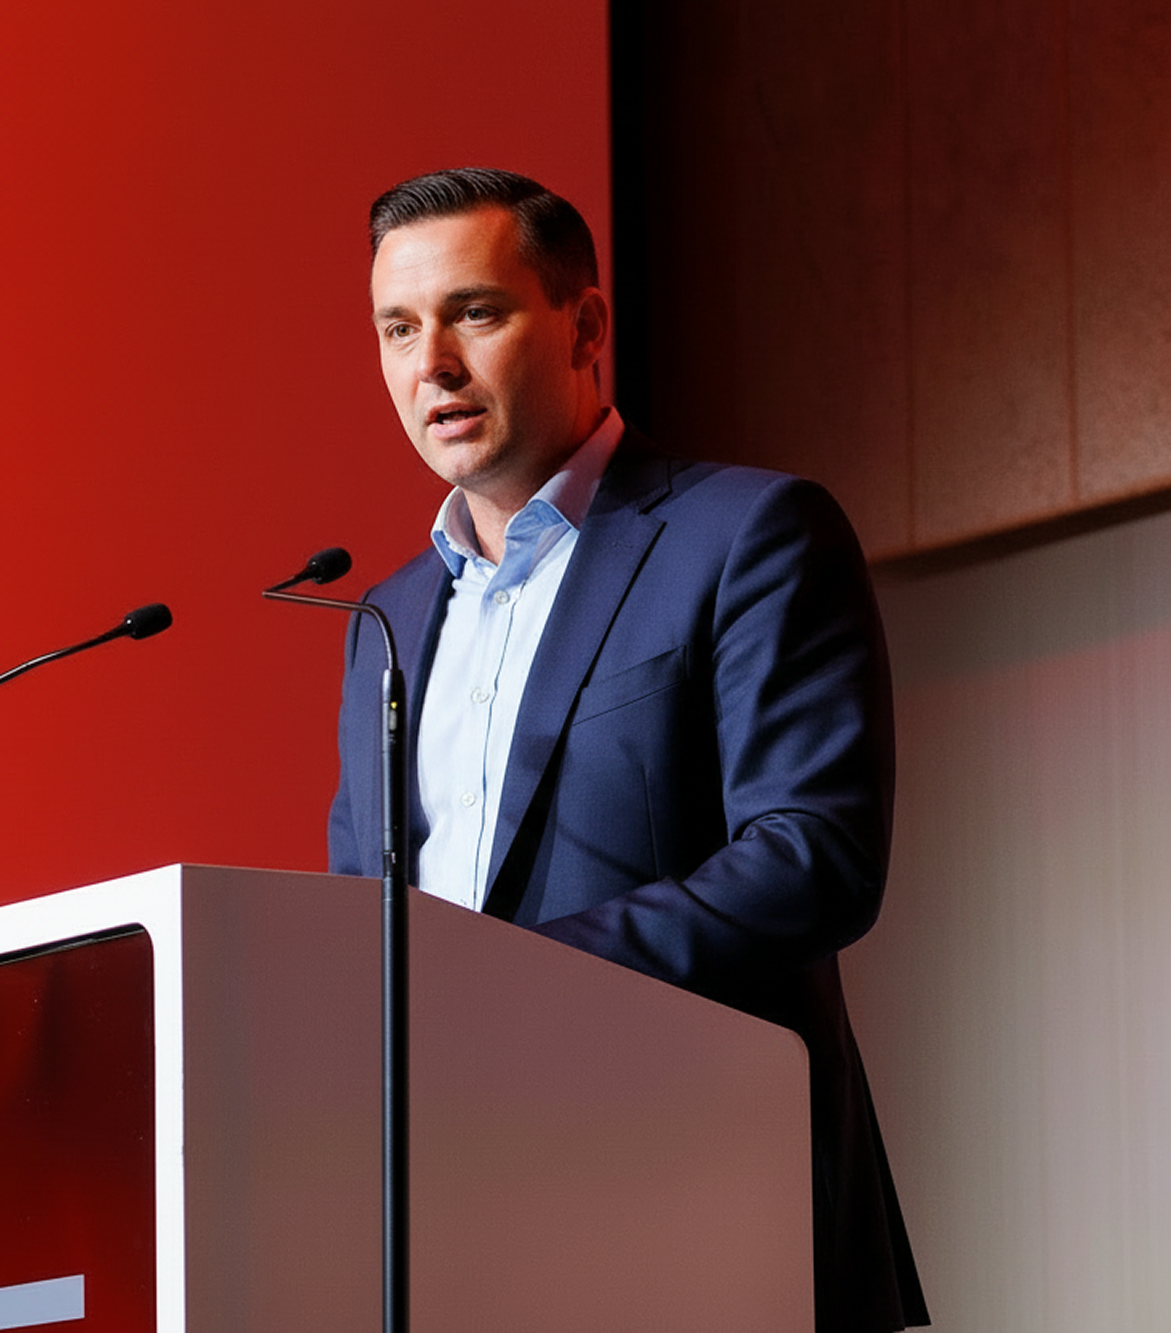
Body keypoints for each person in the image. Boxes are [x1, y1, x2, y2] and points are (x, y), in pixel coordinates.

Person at [328, 168, 929, 1333]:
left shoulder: (745, 533)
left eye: (475, 313)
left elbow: (812, 854)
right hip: (465, 1236)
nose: (430, 365)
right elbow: (369, 929)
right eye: (397, 329)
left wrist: (511, 982)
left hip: (713, 1215)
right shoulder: (383, 623)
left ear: (584, 325)